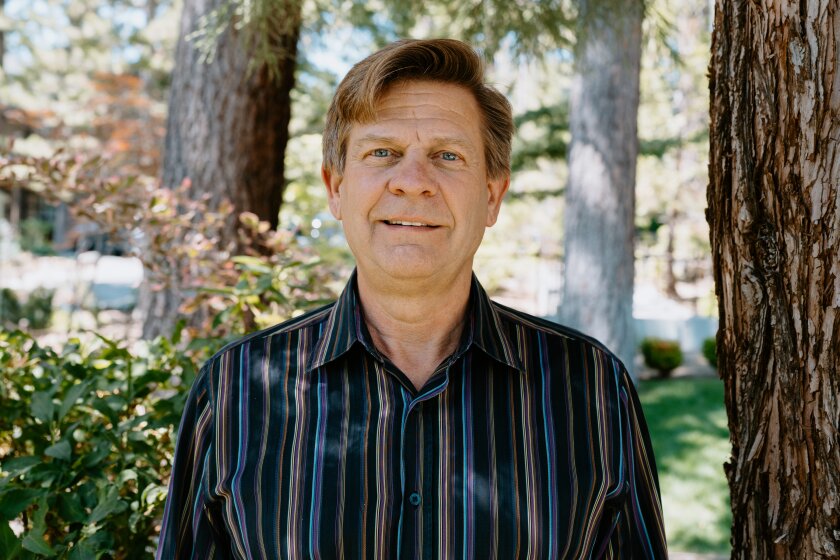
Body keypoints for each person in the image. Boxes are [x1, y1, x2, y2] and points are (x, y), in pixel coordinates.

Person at [157, 38, 667, 559]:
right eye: (383, 153)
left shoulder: (593, 388)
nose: (413, 182)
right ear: (335, 188)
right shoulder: (234, 391)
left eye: (447, 156)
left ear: (491, 195)